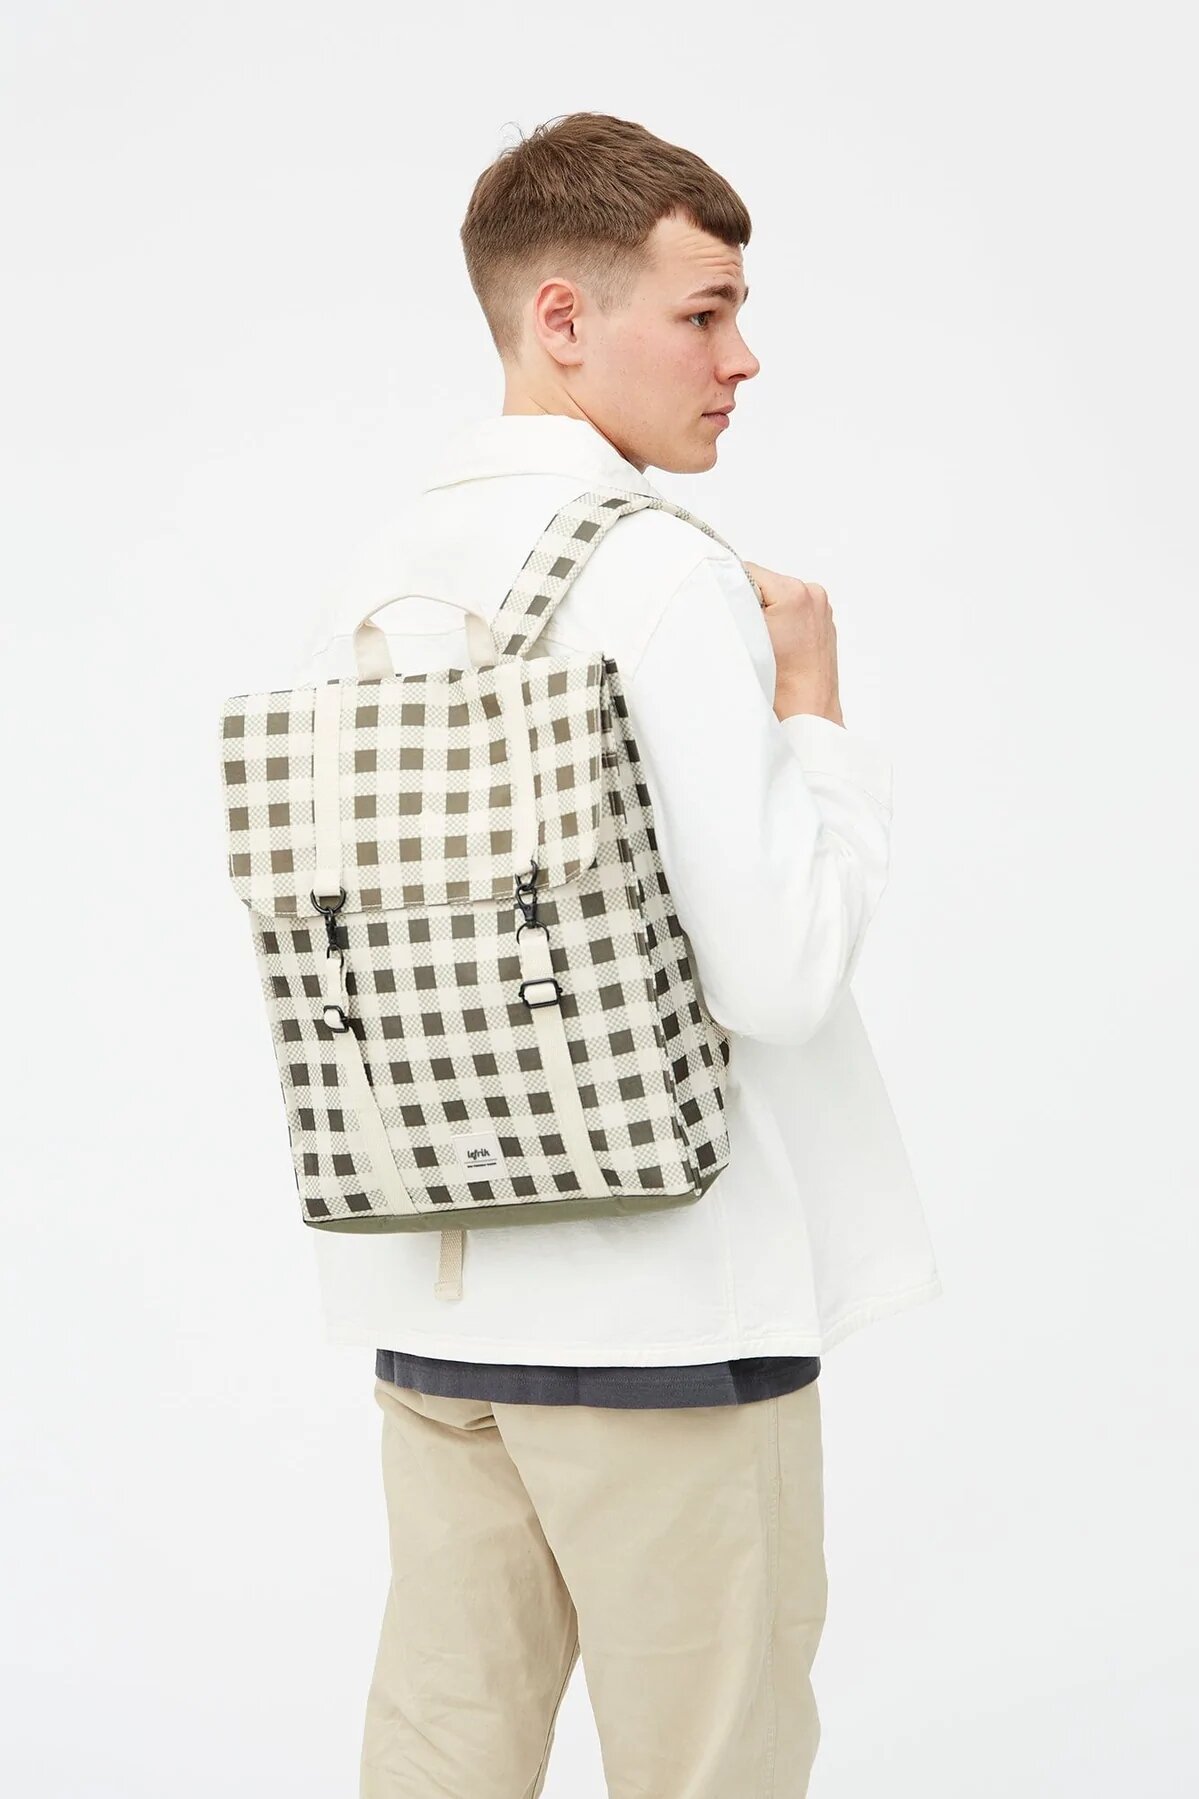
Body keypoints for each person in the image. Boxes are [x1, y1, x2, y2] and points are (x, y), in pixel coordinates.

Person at [296, 111, 942, 1799]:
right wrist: (816, 718)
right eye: (705, 313)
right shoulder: (656, 575)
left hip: (437, 1302)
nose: (743, 359)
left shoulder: (378, 574)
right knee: (711, 1768)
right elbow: (779, 974)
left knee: (440, 1757)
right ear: (563, 318)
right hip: (668, 1312)